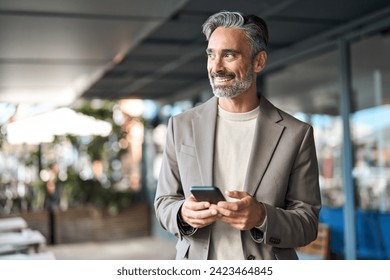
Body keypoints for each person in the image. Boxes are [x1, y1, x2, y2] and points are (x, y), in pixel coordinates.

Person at [154, 11, 321, 260]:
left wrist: (262, 217)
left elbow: (307, 223)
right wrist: (182, 213)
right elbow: (164, 202)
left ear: (258, 62)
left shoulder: (297, 134)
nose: (216, 67)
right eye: (211, 55)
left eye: (229, 55)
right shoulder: (181, 125)